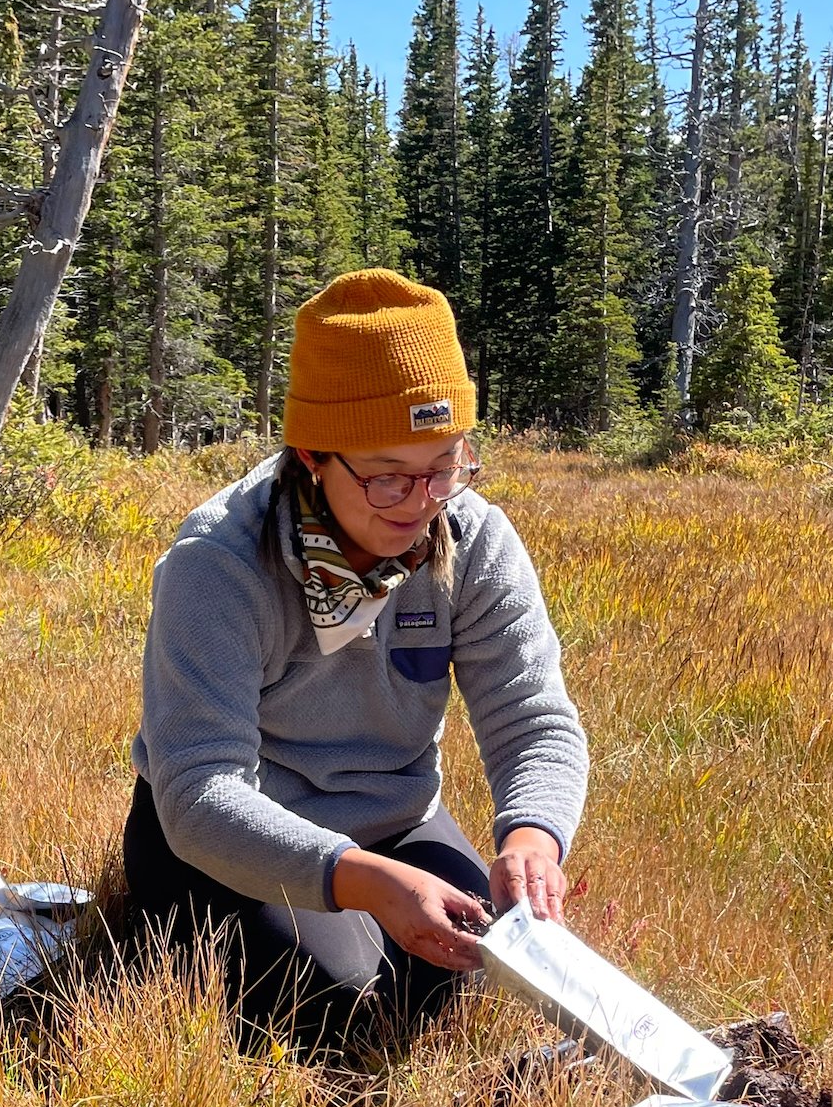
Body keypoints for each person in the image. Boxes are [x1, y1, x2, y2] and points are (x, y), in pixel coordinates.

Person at [124, 269, 590, 1053]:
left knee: (482, 972)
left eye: (445, 466)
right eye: (385, 477)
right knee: (338, 1008)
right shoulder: (221, 562)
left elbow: (532, 718)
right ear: (311, 455)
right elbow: (200, 791)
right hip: (223, 837)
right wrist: (365, 881)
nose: (419, 502)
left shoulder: (472, 541)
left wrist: (532, 840)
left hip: (395, 820)